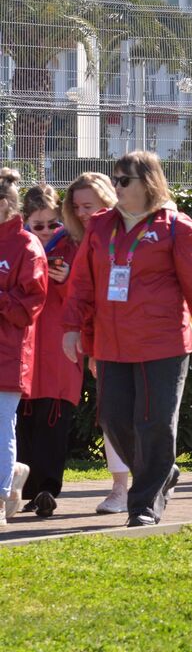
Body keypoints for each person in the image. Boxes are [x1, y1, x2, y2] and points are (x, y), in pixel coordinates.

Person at [61, 153, 192, 526]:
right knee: (114, 419)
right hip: (112, 343)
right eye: (115, 179)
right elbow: (82, 284)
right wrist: (73, 328)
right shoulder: (102, 227)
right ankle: (161, 472)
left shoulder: (177, 227)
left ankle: (144, 504)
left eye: (124, 180)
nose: (116, 187)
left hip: (163, 343)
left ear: (147, 182)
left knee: (154, 422)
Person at [60, 172, 131, 514]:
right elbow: (83, 299)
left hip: (146, 338)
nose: (83, 213)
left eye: (89, 205)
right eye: (76, 207)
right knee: (112, 415)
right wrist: (89, 344)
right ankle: (120, 488)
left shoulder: (136, 232)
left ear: (108, 201)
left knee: (149, 414)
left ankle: (158, 470)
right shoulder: (73, 240)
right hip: (103, 341)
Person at [15, 186, 77, 517]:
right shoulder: (20, 247)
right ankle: (26, 488)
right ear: (25, 223)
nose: (47, 232)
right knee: (24, 422)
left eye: (53, 224)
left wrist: (67, 279)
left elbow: (85, 297)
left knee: (53, 422)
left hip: (58, 352)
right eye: (38, 225)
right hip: (23, 350)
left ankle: (47, 489)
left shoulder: (72, 247)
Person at [0, 171, 46, 526]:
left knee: (2, 426)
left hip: (7, 354)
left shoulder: (27, 247)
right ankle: (12, 472)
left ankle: (1, 499)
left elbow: (29, 307)